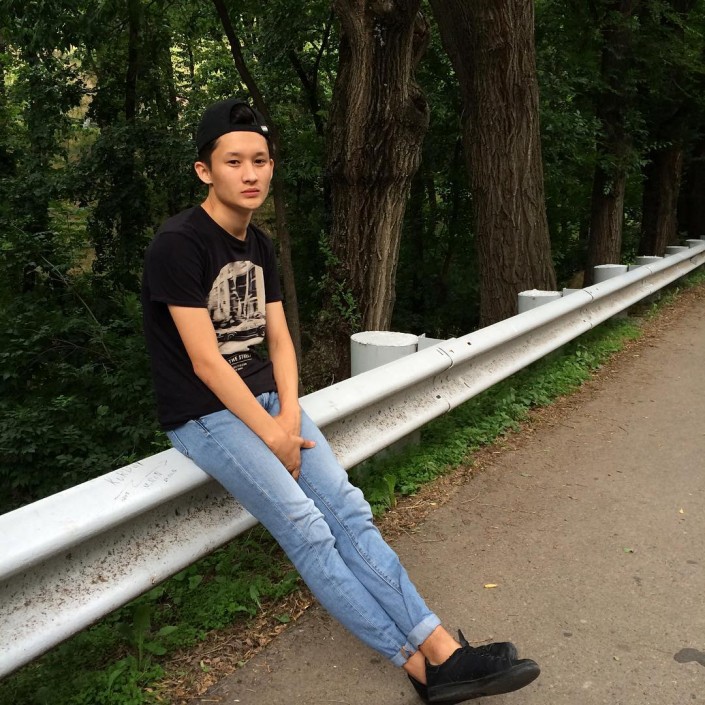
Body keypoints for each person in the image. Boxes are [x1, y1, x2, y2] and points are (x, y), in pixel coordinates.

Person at [140, 98, 540, 704]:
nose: (250, 174)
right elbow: (205, 361)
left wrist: (288, 414)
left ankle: (443, 651)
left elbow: (279, 339)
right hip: (205, 413)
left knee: (349, 512)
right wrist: (274, 436)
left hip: (268, 401)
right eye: (234, 162)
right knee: (307, 528)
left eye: (260, 160)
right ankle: (418, 666)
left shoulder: (260, 244)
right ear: (205, 171)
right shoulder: (179, 243)